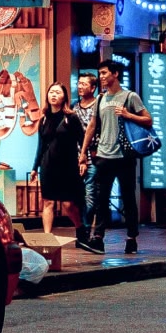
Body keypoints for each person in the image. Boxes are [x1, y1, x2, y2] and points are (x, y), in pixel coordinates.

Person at [77, 59, 153, 256]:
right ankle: (98, 238)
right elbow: (92, 126)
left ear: (115, 74)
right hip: (103, 154)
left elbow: (148, 119)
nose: (101, 77)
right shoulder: (101, 99)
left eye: (104, 73)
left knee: (128, 198)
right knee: (102, 198)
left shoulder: (129, 96)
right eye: (100, 73)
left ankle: (132, 237)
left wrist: (128, 115)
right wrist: (83, 152)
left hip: (124, 156)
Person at [32, 83, 84, 235]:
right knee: (47, 202)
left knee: (68, 205)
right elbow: (40, 146)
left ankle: (80, 228)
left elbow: (82, 141)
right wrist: (35, 167)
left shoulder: (71, 118)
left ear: (64, 97)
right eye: (51, 92)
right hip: (47, 166)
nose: (53, 95)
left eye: (57, 92)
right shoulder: (43, 120)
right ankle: (47, 237)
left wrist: (83, 160)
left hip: (67, 166)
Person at [73, 73, 99, 236]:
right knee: (76, 197)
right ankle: (81, 230)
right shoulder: (74, 107)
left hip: (93, 157)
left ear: (93, 88)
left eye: (84, 84)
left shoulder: (98, 106)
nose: (80, 86)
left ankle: (87, 227)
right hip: (75, 158)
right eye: (79, 83)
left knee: (90, 195)